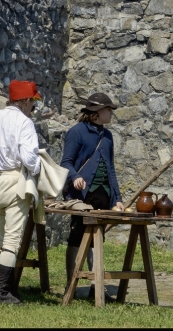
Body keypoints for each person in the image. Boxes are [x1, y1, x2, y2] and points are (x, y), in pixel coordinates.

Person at [0, 80, 43, 305]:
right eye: (33, 103)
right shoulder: (24, 122)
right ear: (26, 101)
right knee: (11, 240)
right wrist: (40, 166)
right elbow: (29, 158)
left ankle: (6, 289)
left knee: (2, 238)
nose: (33, 108)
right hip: (15, 180)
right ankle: (2, 293)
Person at [60, 92, 124, 298]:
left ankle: (97, 287)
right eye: (108, 109)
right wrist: (75, 176)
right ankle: (71, 284)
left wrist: (118, 198)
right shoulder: (76, 132)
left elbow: (111, 169)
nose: (111, 113)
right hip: (81, 195)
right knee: (77, 236)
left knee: (98, 238)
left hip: (102, 195)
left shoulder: (108, 136)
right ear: (97, 113)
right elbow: (66, 163)